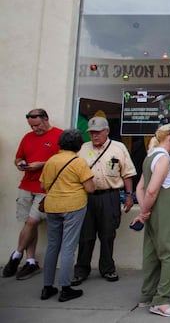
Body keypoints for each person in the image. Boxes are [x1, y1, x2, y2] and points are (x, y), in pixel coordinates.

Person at [73, 116, 136, 285]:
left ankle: (107, 268)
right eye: (92, 133)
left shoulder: (118, 147)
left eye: (98, 132)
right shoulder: (82, 149)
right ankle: (81, 270)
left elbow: (128, 173)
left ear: (106, 131)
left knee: (108, 234)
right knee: (86, 236)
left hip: (110, 196)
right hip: (87, 197)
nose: (95, 136)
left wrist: (129, 195)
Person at [3, 109, 62, 281]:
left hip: (45, 187)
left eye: (37, 125)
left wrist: (42, 164)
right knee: (29, 224)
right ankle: (30, 260)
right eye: (32, 126)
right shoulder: (27, 137)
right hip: (26, 185)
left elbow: (63, 160)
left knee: (32, 221)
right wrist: (20, 163)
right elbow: (18, 157)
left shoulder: (59, 135)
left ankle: (16, 254)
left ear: (46, 119)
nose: (35, 129)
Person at [132, 124, 170, 317]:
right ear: (169, 138)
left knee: (152, 254)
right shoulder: (163, 159)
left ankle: (147, 295)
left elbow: (140, 188)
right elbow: (152, 190)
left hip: (153, 215)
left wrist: (143, 211)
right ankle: (161, 300)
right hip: (166, 215)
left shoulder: (150, 157)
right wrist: (144, 211)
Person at [39, 129, 95, 302]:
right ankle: (65, 288)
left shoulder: (51, 161)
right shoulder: (78, 162)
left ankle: (47, 287)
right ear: (78, 145)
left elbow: (43, 186)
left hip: (52, 205)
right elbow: (90, 188)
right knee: (69, 247)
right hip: (73, 205)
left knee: (52, 246)